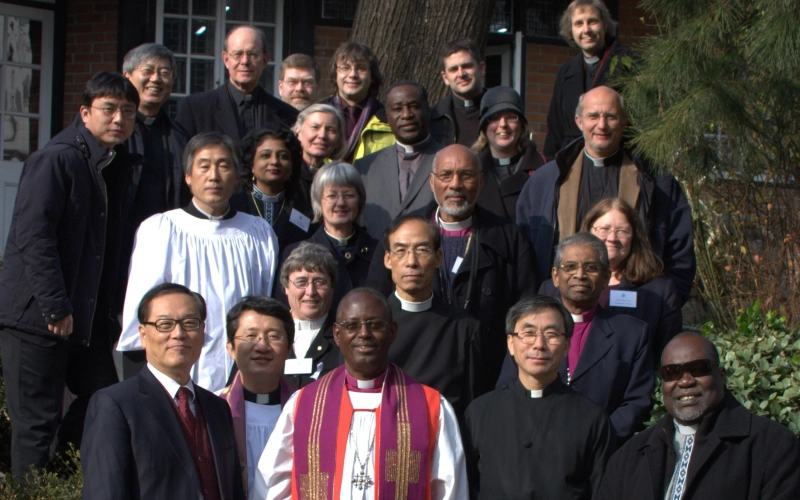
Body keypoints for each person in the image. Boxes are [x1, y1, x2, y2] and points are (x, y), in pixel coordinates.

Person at [0, 72, 139, 479]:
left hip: (83, 318)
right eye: (109, 109)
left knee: (102, 396)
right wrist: (54, 305)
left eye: (127, 112)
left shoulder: (110, 163)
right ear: (84, 113)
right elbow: (32, 236)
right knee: (35, 423)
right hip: (37, 317)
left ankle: (59, 477)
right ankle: (31, 491)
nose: (118, 119)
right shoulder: (58, 159)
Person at [252, 288, 468, 499]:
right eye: (352, 325)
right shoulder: (302, 404)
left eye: (375, 325)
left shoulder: (430, 407)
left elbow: (450, 489)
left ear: (392, 332)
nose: (364, 334)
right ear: (337, 334)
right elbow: (271, 488)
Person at [117, 132, 278, 392]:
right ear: (188, 177)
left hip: (242, 374)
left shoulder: (258, 233)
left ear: (237, 177)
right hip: (173, 374)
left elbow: (264, 306)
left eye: (224, 166)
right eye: (204, 166)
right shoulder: (161, 229)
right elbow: (141, 312)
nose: (214, 176)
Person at [368, 144, 538, 385]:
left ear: (480, 181)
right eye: (446, 175)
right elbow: (376, 299)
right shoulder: (401, 231)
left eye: (466, 175)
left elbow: (527, 311)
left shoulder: (509, 238)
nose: (455, 185)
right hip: (412, 367)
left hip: (485, 373)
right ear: (431, 181)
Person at [517, 85, 696, 304]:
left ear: (624, 121)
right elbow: (523, 255)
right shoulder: (545, 181)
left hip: (632, 307)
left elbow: (680, 256)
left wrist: (663, 306)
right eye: (593, 116)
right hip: (559, 309)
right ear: (579, 121)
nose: (601, 125)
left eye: (611, 117)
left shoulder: (656, 182)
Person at [81, 283, 245, 499]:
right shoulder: (115, 404)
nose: (178, 334)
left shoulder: (217, 408)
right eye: (165, 324)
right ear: (143, 334)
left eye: (189, 323)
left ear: (203, 332)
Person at [598, 333, 800, 499]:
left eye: (698, 369)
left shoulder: (772, 446)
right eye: (672, 372)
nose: (685, 381)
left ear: (721, 376)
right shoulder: (629, 457)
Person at [497, 232, 652, 443]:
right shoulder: (527, 329)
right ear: (555, 276)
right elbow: (507, 389)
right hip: (533, 444)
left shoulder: (631, 334)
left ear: (606, 276)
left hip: (602, 450)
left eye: (591, 267)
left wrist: (598, 438)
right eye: (569, 267)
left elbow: (636, 402)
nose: (580, 275)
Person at [464, 296, 614, 498]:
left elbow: (602, 491)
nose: (539, 344)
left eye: (551, 335)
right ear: (510, 343)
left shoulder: (592, 418)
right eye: (528, 333)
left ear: (566, 345)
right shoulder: (480, 412)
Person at [540, 197, 683, 363]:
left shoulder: (659, 290)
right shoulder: (550, 288)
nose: (612, 238)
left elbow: (668, 350)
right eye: (604, 229)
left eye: (622, 231)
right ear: (588, 231)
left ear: (634, 236)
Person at [382, 215, 484, 417]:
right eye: (401, 251)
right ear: (387, 259)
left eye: (422, 250)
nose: (411, 262)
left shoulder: (463, 328)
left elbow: (472, 405)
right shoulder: (371, 324)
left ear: (438, 258)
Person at [219, 296, 298, 496]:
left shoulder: (305, 408)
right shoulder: (214, 410)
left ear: (289, 348)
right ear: (231, 349)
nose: (262, 346)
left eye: (274, 336)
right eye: (250, 336)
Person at [175, 25, 298, 147]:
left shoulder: (287, 115)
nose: (245, 61)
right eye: (237, 54)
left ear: (265, 60)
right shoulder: (195, 109)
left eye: (252, 54)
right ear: (226, 60)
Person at [280, 162, 376, 316]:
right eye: (332, 195)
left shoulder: (378, 252)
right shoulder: (295, 253)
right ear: (318, 201)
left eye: (348, 195)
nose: (341, 203)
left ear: (360, 200)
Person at [543, 0, 631, 159]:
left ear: (604, 24)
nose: (586, 30)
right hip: (571, 162)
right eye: (578, 24)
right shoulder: (564, 73)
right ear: (571, 30)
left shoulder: (630, 65)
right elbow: (555, 131)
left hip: (619, 160)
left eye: (592, 21)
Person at [356, 80, 443, 239]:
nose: (406, 115)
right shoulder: (365, 167)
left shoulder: (448, 161)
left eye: (414, 106)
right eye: (397, 109)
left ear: (427, 111)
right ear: (387, 116)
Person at [229, 123, 316, 250]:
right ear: (251, 164)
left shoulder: (304, 209)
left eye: (283, 156)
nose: (274, 161)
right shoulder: (233, 205)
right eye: (265, 155)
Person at [472, 86, 545, 221]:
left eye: (511, 117)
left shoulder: (544, 168)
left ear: (522, 125)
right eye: (494, 118)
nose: (503, 124)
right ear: (484, 127)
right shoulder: (471, 172)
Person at [278, 242, 342, 388]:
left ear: (332, 287)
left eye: (319, 282)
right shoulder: (269, 334)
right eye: (301, 282)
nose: (310, 291)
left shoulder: (344, 338)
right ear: (286, 287)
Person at [320, 42, 394, 162]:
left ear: (372, 77)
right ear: (335, 75)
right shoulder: (315, 115)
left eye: (361, 68)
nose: (353, 74)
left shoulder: (388, 119)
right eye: (345, 68)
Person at [430, 39, 487, 147]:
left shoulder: (498, 114)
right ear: (445, 77)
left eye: (466, 66)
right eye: (453, 69)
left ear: (481, 69)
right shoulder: (432, 117)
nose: (461, 74)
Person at [293, 103, 347, 187]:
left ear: (338, 140)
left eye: (330, 130)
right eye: (315, 127)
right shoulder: (287, 172)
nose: (322, 135)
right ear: (298, 132)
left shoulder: (339, 179)